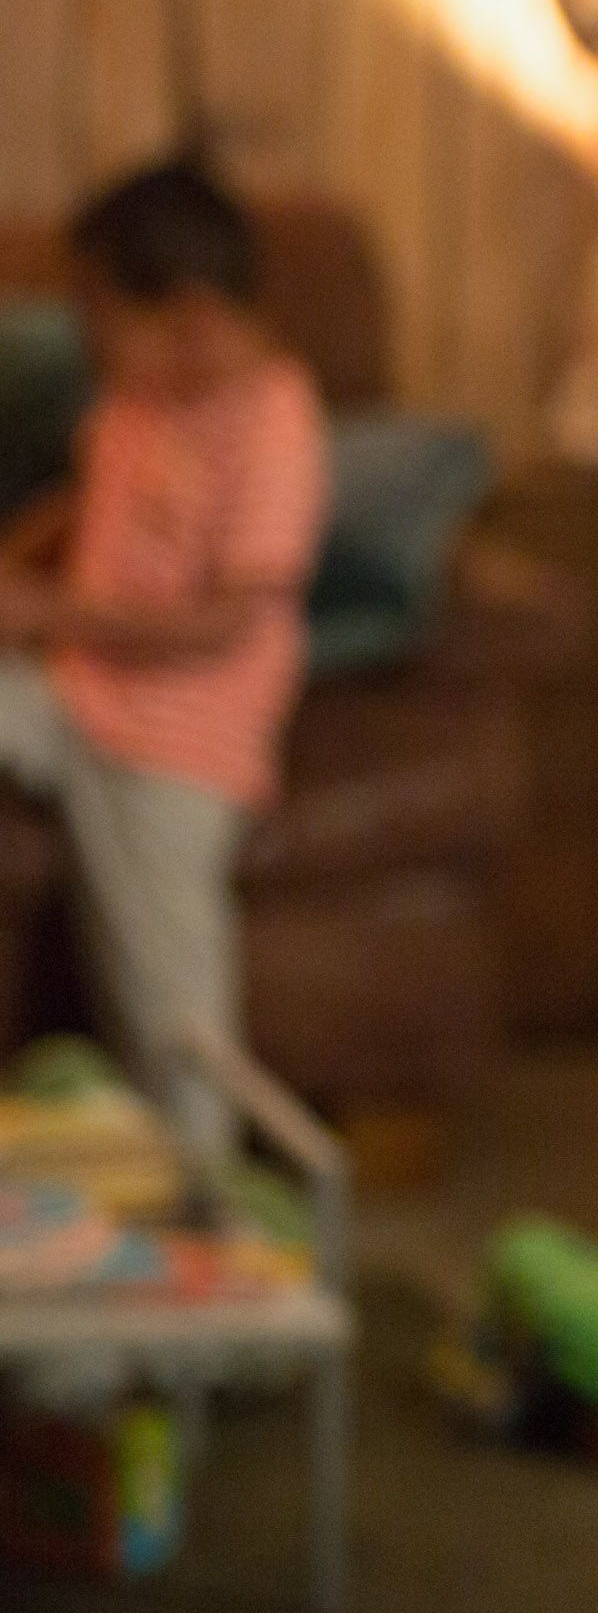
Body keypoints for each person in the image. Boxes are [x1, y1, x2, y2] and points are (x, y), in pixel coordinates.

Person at [0, 160, 330, 1169]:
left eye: (98, 314)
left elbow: (224, 621)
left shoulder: (274, 422)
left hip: (176, 742)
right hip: (72, 693)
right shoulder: (134, 403)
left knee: (167, 995)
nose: (84, 336)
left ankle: (205, 1191)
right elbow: (85, 501)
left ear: (190, 314)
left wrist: (47, 610)